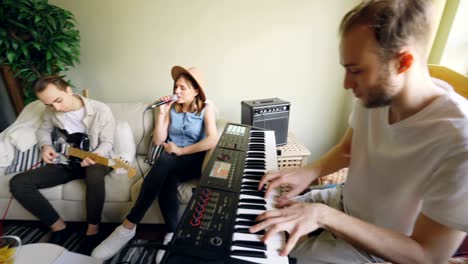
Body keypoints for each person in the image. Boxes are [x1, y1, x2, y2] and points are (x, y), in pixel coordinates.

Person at [249, 1, 468, 263]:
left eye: (356, 71)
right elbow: (347, 150)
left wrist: (322, 216)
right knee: (254, 217)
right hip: (341, 202)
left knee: (260, 256)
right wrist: (307, 172)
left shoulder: (459, 142)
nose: (346, 84)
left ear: (403, 62)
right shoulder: (374, 95)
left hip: (380, 249)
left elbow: (426, 256)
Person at [92, 65, 218, 262]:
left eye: (183, 88)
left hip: (193, 159)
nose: (176, 91)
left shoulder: (206, 109)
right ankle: (171, 233)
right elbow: (159, 141)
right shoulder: (171, 109)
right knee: (167, 177)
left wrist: (181, 150)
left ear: (196, 91)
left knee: (166, 159)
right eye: (176, 87)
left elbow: (212, 140)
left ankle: (128, 226)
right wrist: (161, 115)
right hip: (171, 161)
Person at [9, 76, 115, 255]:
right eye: (49, 105)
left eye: (58, 100)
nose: (56, 108)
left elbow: (107, 142)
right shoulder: (51, 111)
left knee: (94, 172)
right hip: (68, 161)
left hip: (98, 159)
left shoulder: (100, 110)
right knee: (18, 183)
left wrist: (95, 156)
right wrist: (46, 146)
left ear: (68, 91)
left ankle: (93, 230)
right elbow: (43, 130)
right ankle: (59, 227)